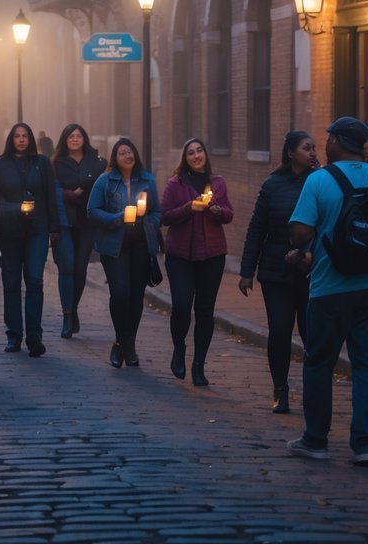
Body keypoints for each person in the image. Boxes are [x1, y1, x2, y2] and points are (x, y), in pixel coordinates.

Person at [286, 117, 368, 467]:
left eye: (328, 139)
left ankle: (316, 439)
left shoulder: (319, 180)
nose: (323, 144)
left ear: (337, 142)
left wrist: (304, 244)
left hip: (329, 287)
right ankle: (364, 444)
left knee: (319, 363)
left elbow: (299, 232)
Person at [239, 131, 319, 413]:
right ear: (290, 153)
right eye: (306, 148)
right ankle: (280, 388)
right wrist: (246, 270)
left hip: (312, 271)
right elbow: (257, 228)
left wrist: (311, 253)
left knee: (312, 333)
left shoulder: (320, 182)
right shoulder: (272, 185)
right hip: (276, 271)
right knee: (280, 331)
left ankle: (314, 389)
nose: (312, 152)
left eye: (314, 148)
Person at [159, 138, 234, 386]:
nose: (196, 155)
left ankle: (199, 365)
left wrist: (218, 211)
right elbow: (165, 217)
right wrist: (189, 207)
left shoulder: (218, 182)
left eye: (199, 150)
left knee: (205, 311)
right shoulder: (175, 184)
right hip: (181, 255)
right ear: (185, 157)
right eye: (190, 152)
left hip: (212, 255)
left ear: (205, 154)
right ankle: (179, 349)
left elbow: (228, 213)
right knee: (181, 306)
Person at [87, 138, 161, 370]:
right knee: (120, 293)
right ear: (115, 158)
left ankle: (130, 343)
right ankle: (120, 340)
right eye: (122, 153)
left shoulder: (147, 180)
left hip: (140, 244)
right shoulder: (105, 180)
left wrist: (150, 222)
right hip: (114, 245)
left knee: (136, 295)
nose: (127, 156)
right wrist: (115, 218)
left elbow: (158, 211)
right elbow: (92, 210)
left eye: (130, 152)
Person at [0, 122, 60, 357]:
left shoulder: (41, 164)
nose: (21, 140)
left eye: (25, 136)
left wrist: (54, 228)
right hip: (9, 231)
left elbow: (51, 195)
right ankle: (14, 334)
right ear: (11, 139)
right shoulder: (1, 165)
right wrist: (14, 209)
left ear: (30, 139)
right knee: (11, 283)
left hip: (37, 229)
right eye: (17, 136)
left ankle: (34, 334)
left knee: (34, 280)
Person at [50, 123, 105, 339]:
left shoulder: (97, 162)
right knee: (67, 268)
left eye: (78, 135)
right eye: (70, 136)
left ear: (84, 138)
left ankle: (73, 310)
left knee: (80, 269)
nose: (74, 139)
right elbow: (52, 190)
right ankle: (67, 316)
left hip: (87, 222)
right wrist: (67, 195)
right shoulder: (55, 163)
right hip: (65, 222)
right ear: (64, 139)